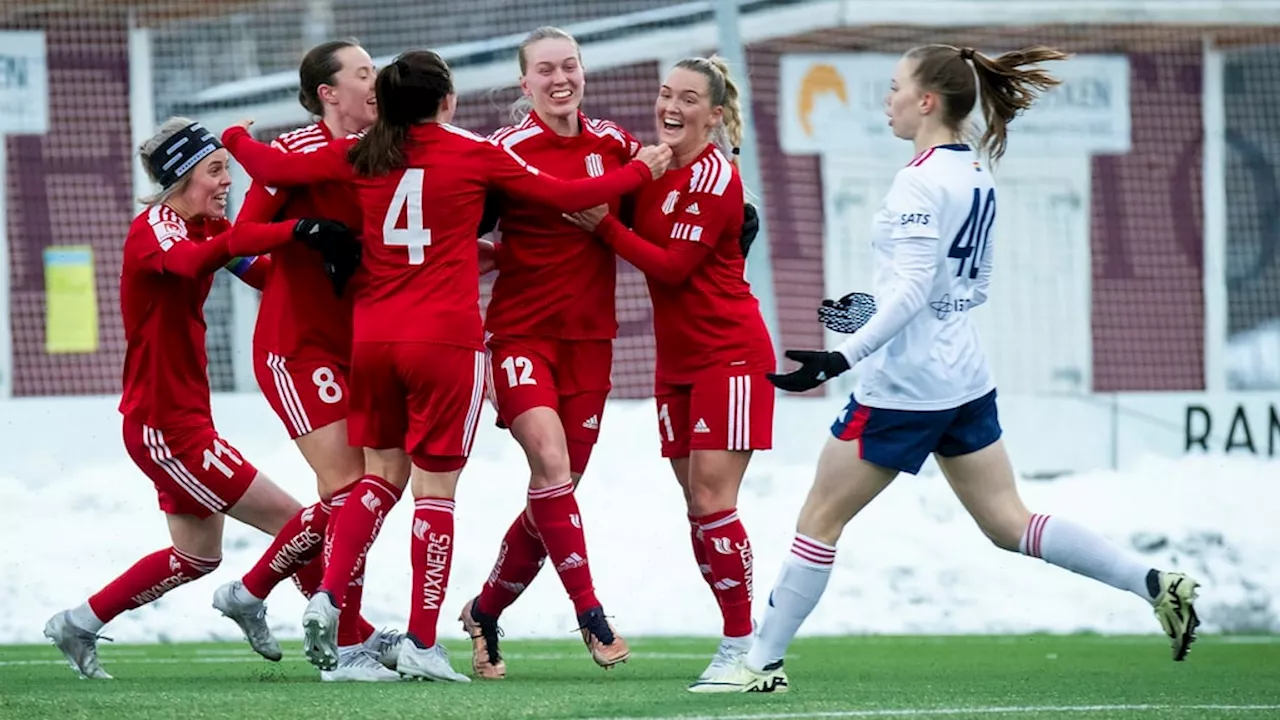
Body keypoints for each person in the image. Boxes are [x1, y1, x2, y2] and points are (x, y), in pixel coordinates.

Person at [715, 44, 1201, 694]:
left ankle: (759, 664)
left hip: (905, 386)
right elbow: (961, 289)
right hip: (963, 377)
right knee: (1010, 523)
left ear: (926, 102)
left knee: (818, 519)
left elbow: (915, 291)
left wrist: (844, 356)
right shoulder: (974, 171)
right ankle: (1154, 583)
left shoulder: (918, 180)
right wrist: (867, 311)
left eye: (894, 88)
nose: (885, 100)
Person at [220, 49, 670, 681]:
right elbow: (567, 195)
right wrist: (641, 171)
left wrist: (235, 134)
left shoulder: (364, 153)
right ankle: (424, 642)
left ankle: (327, 599)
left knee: (375, 483)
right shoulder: (473, 152)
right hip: (443, 343)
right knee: (436, 494)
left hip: (372, 340)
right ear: (448, 101)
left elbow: (266, 164)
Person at [42, 118, 356, 679]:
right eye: (215, 171)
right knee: (301, 519)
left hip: (176, 422)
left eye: (228, 170)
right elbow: (189, 261)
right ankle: (335, 640)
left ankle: (79, 622)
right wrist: (295, 228)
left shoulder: (207, 227)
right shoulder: (157, 227)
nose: (226, 182)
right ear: (181, 176)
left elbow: (256, 271)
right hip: (167, 430)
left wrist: (323, 264)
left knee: (196, 557)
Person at [563, 55, 775, 692]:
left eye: (687, 98)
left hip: (730, 356)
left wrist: (603, 228)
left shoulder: (715, 176)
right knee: (697, 508)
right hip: (677, 362)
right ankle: (740, 644)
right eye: (664, 94)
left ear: (714, 114)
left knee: (714, 501)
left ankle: (747, 652)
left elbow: (674, 267)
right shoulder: (651, 168)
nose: (670, 106)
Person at [209, 38, 402, 683]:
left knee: (364, 493)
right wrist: (303, 236)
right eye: (364, 74)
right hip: (298, 349)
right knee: (352, 489)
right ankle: (346, 643)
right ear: (329, 92)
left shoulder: (386, 152)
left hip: (364, 344)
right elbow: (239, 240)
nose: (376, 83)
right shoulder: (291, 153)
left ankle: (255, 590)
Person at [452, 26, 643, 680]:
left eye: (569, 67)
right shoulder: (504, 150)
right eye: (545, 70)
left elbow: (656, 209)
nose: (560, 79)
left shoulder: (615, 145)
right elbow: (456, 228)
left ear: (583, 73)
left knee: (551, 495)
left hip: (592, 342)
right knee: (551, 464)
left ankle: (483, 611)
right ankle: (590, 613)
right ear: (525, 82)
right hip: (520, 336)